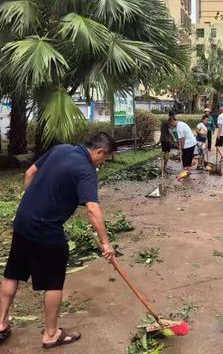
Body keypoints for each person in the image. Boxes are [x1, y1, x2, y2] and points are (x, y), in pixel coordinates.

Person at [0, 132, 117, 348]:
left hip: (23, 221)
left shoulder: (60, 149)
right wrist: (106, 243)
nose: (103, 162)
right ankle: (51, 334)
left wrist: (34, 204)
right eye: (105, 158)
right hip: (46, 230)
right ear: (99, 152)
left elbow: (29, 173)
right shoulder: (86, 171)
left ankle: (0, 324)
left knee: (12, 273)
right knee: (53, 282)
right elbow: (92, 208)